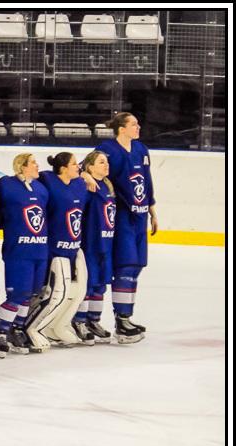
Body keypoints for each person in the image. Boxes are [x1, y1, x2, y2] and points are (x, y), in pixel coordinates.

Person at [95, 112, 157, 341]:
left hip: (140, 216)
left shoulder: (141, 149)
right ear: (121, 128)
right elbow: (88, 168)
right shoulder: (107, 149)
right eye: (133, 124)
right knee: (125, 265)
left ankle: (126, 317)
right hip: (121, 215)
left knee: (136, 266)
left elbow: (147, 181)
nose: (138, 127)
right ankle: (121, 320)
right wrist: (89, 178)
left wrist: (152, 210)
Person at [27, 152, 89, 349]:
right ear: (63, 168)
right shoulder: (48, 180)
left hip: (74, 248)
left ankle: (57, 326)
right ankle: (32, 328)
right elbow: (36, 176)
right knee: (55, 294)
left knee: (77, 292)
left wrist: (86, 175)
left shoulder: (79, 184)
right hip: (55, 250)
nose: (78, 167)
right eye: (74, 164)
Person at [0, 154, 49, 356]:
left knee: (30, 294)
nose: (37, 165)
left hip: (39, 250)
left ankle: (16, 329)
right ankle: (1, 331)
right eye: (33, 162)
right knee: (17, 293)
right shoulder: (6, 185)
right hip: (18, 251)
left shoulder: (41, 188)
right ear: (22, 166)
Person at [74, 151, 120, 344]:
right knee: (88, 284)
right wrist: (83, 175)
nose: (106, 165)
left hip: (106, 245)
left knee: (100, 285)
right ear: (90, 166)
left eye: (107, 162)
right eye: (101, 162)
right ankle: (79, 322)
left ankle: (93, 321)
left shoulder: (108, 186)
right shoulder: (86, 187)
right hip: (90, 245)